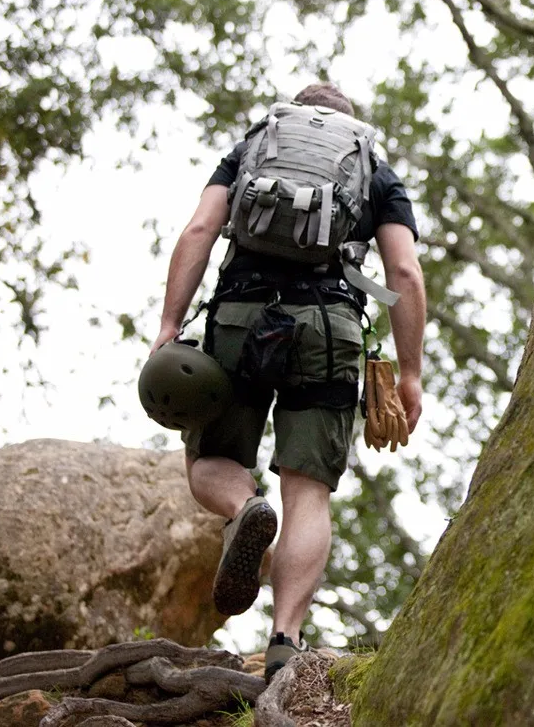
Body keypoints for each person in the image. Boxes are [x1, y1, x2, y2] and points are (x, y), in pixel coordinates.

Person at [150, 82, 426, 682]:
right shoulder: (373, 170)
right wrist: (409, 372)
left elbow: (199, 231)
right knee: (308, 491)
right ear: (347, 126)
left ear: (294, 116)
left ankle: (244, 507)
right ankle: (285, 639)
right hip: (328, 328)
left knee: (210, 461)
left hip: (240, 318)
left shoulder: (252, 147)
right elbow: (402, 270)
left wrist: (171, 324)